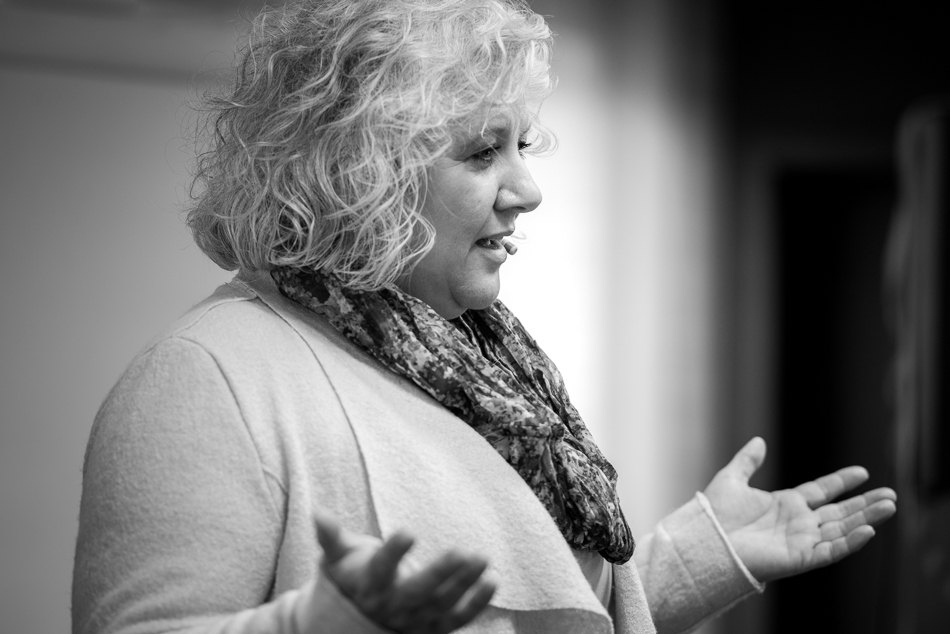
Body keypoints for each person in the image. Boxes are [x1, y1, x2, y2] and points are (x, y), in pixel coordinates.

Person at [71, 1, 897, 633]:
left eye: (521, 147)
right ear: (359, 171)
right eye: (480, 151)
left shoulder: (480, 360)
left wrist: (697, 561)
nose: (528, 190)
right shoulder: (205, 376)